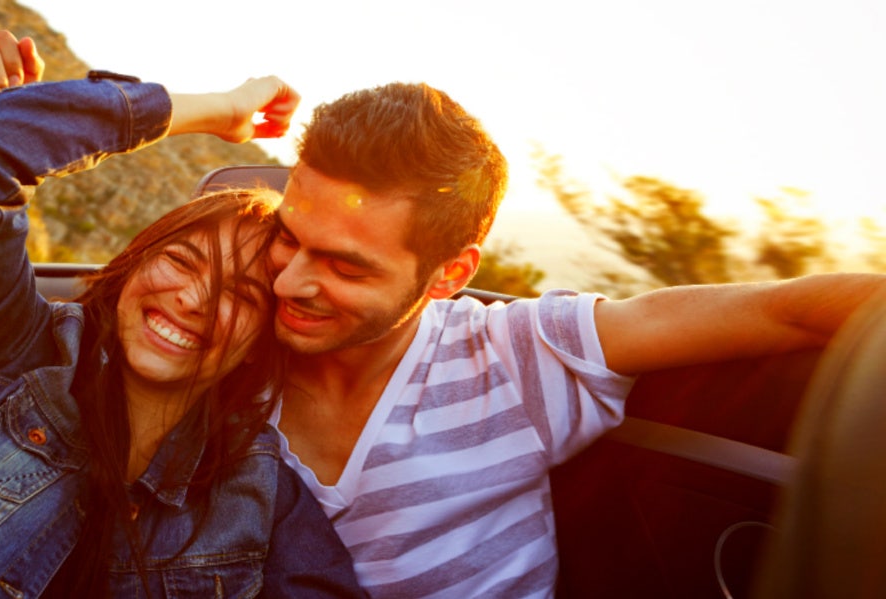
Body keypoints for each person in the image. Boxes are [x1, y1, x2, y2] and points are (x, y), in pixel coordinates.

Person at [0, 33, 364, 598]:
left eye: (241, 295)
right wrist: (223, 109)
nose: (193, 299)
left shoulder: (261, 494)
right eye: (181, 261)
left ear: (261, 339)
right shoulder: (14, 357)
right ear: (130, 266)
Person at [265, 81, 886, 598]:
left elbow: (788, 312)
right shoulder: (223, 345)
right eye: (288, 236)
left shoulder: (517, 354)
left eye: (346, 268)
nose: (289, 282)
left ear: (450, 274)